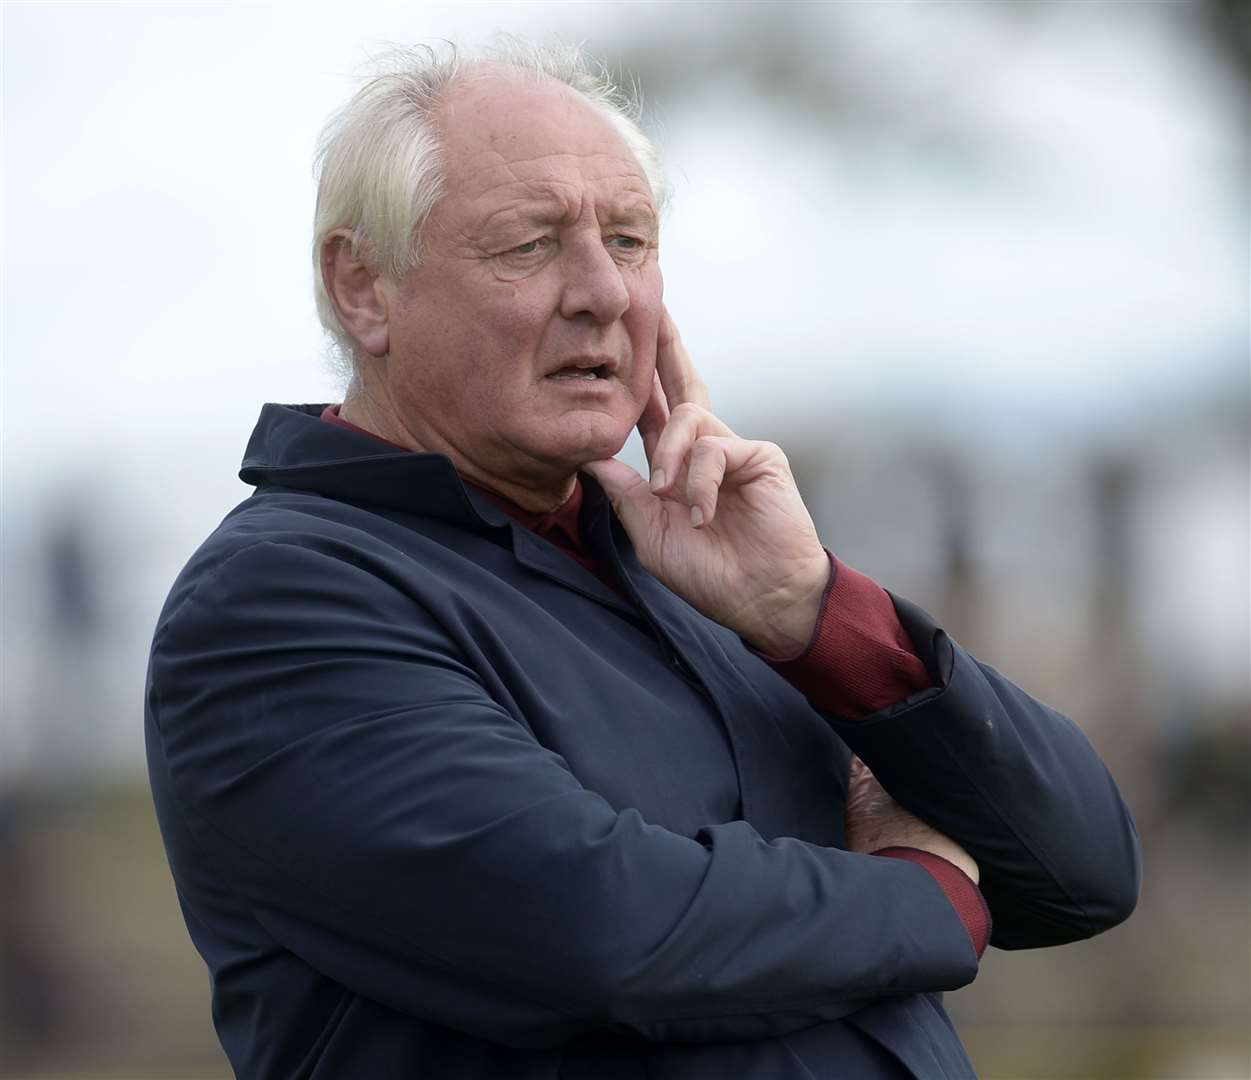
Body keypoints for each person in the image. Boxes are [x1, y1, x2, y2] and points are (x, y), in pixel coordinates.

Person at [145, 41, 1141, 1079]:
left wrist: (811, 613)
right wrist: (921, 890)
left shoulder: (700, 561)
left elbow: (1083, 872)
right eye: (529, 245)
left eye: (628, 240)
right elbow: (598, 931)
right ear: (365, 290)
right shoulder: (278, 602)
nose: (603, 294)